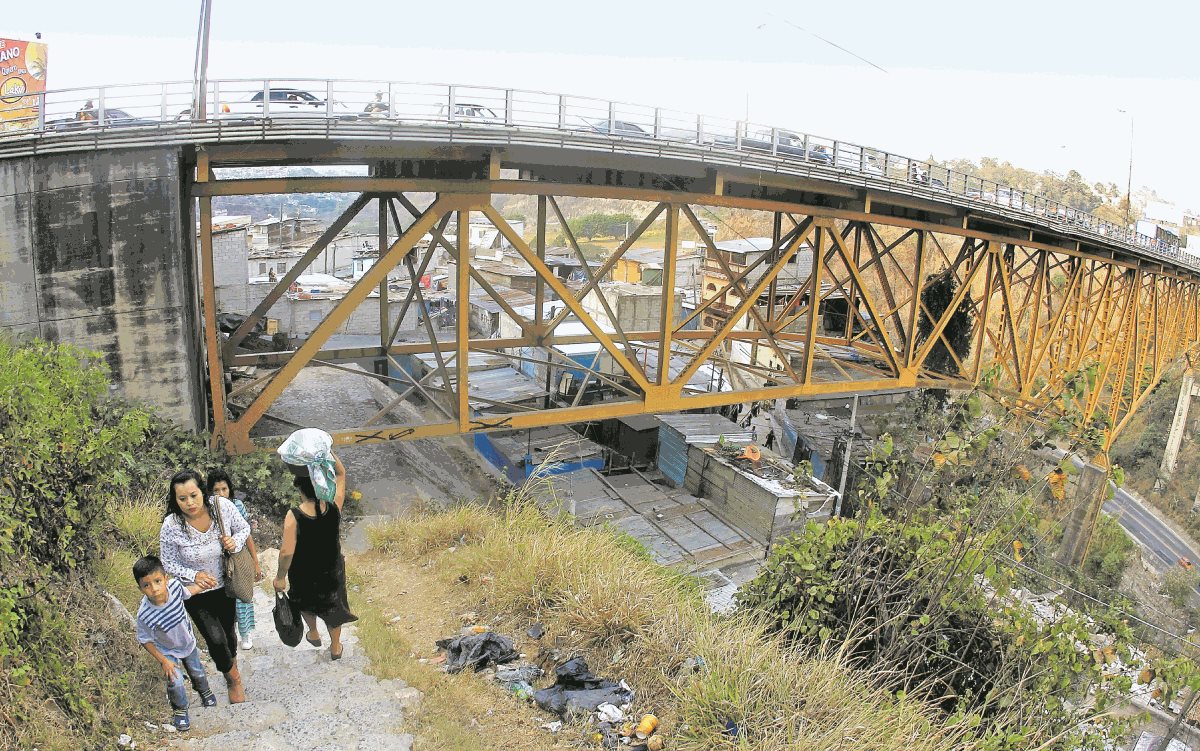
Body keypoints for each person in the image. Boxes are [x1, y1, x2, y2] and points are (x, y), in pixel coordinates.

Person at [159, 469, 250, 703]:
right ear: (175, 499)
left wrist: (234, 541)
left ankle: (231, 667)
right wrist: (194, 574)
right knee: (215, 638)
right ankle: (234, 679)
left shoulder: (222, 507)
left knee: (229, 635)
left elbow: (243, 529)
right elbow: (168, 562)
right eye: (182, 499)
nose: (189, 503)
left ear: (203, 492)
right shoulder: (172, 525)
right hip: (196, 592)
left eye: (193, 496)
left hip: (225, 583)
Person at [273, 454, 357, 660]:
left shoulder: (294, 515)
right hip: (332, 570)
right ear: (320, 486)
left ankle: (313, 632)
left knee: (304, 601)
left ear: (299, 489)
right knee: (334, 606)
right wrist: (326, 451)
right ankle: (336, 647)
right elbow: (341, 473)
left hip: (303, 572)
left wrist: (280, 576)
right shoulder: (334, 507)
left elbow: (286, 552)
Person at [133, 555, 217, 731]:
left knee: (197, 671)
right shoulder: (145, 615)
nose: (154, 589)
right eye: (146, 585)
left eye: (157, 581)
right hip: (167, 651)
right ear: (140, 588)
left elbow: (188, 592)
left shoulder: (176, 587)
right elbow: (145, 640)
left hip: (187, 642)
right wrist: (163, 660)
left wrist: (203, 586)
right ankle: (180, 709)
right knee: (175, 682)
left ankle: (204, 690)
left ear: (166, 578)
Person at [206, 469, 264, 650]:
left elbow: (247, 535)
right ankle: (227, 632)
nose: (221, 494)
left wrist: (255, 562)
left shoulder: (237, 505)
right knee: (224, 597)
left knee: (242, 594)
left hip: (238, 557)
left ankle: (245, 633)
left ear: (230, 489)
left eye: (224, 489)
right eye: (216, 490)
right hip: (217, 560)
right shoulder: (207, 509)